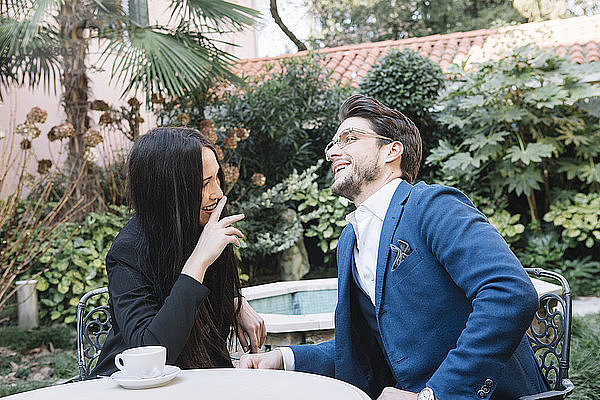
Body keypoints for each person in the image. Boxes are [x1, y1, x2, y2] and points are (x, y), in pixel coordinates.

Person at [239, 95, 548, 400]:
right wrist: (284, 358)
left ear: (391, 150)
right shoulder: (349, 241)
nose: (333, 151)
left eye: (349, 138)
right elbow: (364, 350)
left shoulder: (432, 207)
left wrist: (435, 395)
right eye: (333, 144)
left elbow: (509, 293)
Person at [93, 127, 265, 377]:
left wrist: (236, 302)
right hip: (133, 388)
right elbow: (150, 352)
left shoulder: (202, 226)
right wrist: (198, 261)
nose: (218, 193)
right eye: (205, 184)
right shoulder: (127, 252)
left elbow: (212, 298)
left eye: (217, 178)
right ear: (167, 191)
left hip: (200, 380)